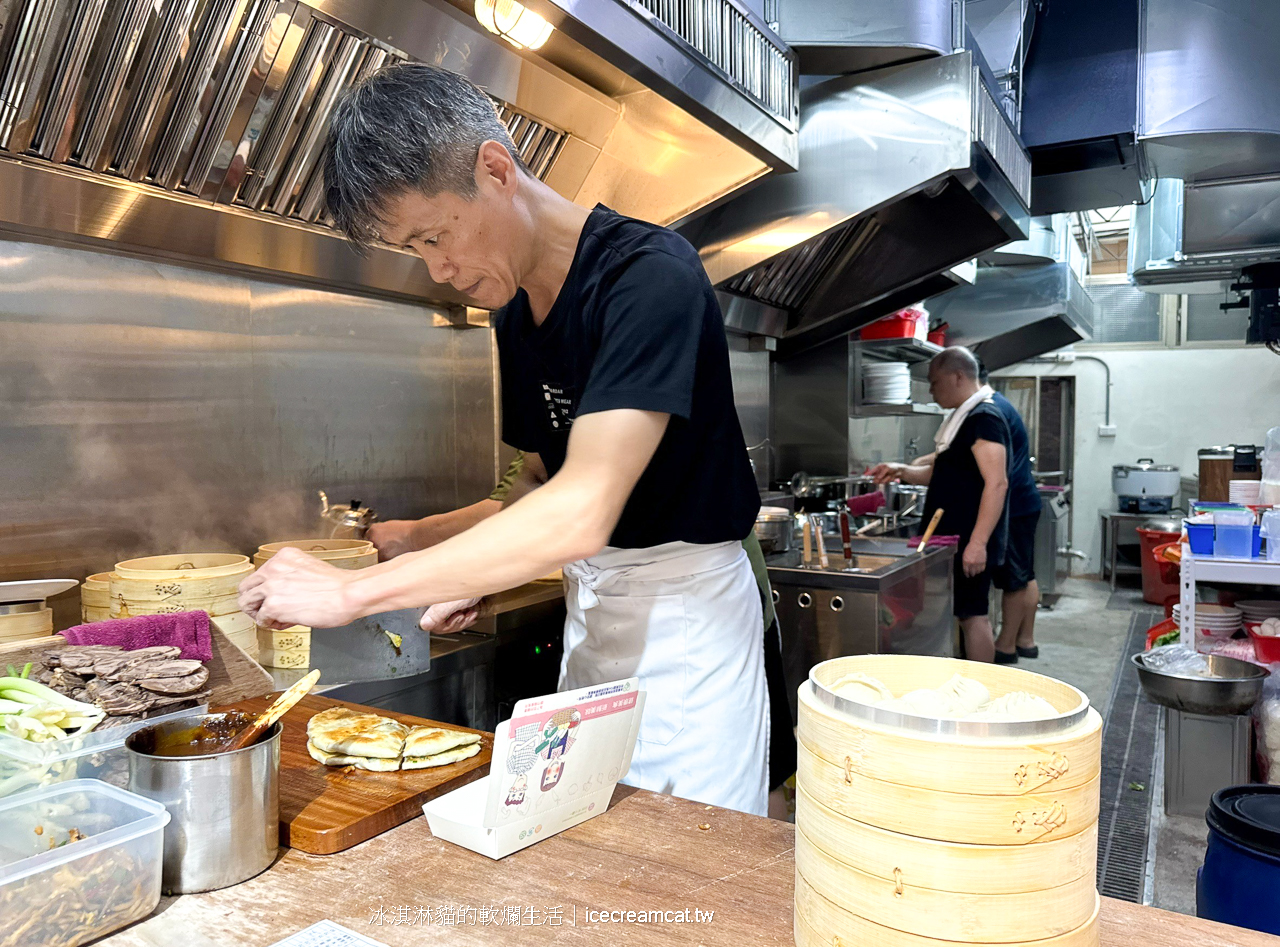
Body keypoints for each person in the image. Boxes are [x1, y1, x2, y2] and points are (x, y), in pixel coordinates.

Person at [237, 63, 770, 815]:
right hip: (595, 621)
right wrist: (475, 571)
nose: (440, 268)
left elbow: (580, 509)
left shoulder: (647, 277)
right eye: (415, 249)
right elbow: (534, 491)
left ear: (495, 168)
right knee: (589, 849)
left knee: (689, 869)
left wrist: (352, 591)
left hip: (690, 629)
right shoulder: (516, 317)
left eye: (436, 234)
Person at [369, 451, 798, 818]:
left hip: (702, 619)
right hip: (599, 618)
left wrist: (407, 546)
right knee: (588, 799)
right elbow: (529, 499)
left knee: (735, 802)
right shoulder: (544, 389)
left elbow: (560, 504)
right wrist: (484, 583)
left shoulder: (633, 373)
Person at [869, 347, 1010, 662]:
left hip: (966, 540)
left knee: (974, 616)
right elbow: (942, 474)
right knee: (964, 614)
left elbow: (997, 483)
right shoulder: (962, 420)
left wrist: (978, 543)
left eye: (934, 382)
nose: (931, 390)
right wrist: (902, 471)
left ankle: (981, 697)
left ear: (958, 376)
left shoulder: (983, 418)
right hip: (952, 540)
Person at [978, 363, 1042, 664]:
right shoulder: (1001, 404)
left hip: (1013, 507)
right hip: (1024, 502)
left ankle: (1005, 646)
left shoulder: (989, 411)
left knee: (1016, 579)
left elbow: (994, 473)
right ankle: (1025, 640)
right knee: (1025, 574)